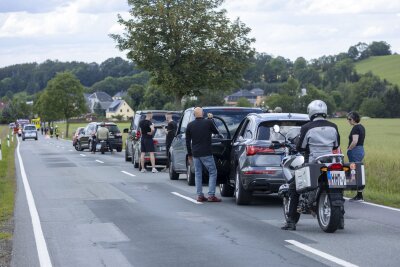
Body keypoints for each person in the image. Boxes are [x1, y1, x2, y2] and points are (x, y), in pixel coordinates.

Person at [281, 100, 340, 230]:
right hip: (330, 162)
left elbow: (300, 147)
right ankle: (339, 219)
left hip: (313, 163)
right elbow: (336, 145)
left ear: (311, 112)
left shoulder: (307, 127)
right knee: (336, 186)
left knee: (293, 187)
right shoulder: (333, 126)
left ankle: (291, 221)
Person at [186, 107, 222, 202]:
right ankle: (211, 195)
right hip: (206, 152)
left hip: (195, 153)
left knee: (198, 174)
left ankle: (200, 195)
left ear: (194, 115)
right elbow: (217, 132)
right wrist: (211, 120)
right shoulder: (208, 122)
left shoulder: (190, 125)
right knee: (213, 172)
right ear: (202, 113)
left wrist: (189, 154)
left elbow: (187, 141)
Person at [347, 111, 366, 201]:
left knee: (355, 172)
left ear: (354, 119)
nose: (348, 121)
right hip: (361, 149)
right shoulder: (362, 127)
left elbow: (354, 141)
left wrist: (349, 149)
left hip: (355, 150)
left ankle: (359, 195)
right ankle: (359, 194)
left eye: (349, 119)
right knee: (358, 171)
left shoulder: (355, 128)